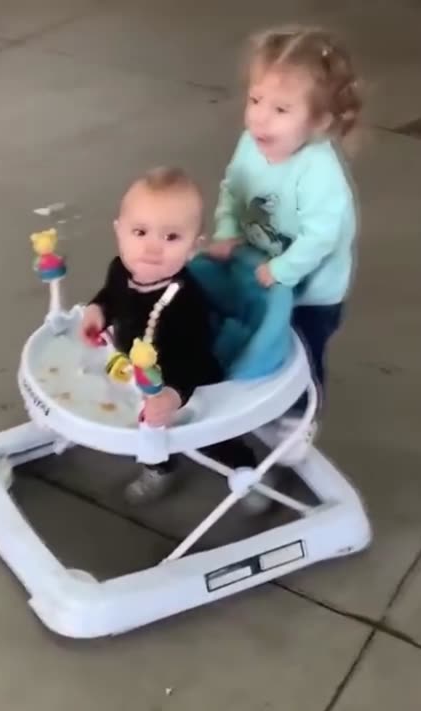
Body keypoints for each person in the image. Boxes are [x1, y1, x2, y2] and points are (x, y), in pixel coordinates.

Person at [80, 167, 267, 509]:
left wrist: (172, 395)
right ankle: (160, 467)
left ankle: (244, 468)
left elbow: (193, 359)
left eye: (171, 238)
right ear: (118, 232)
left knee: (214, 436)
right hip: (135, 371)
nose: (152, 248)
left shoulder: (184, 299)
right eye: (140, 232)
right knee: (144, 429)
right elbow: (111, 296)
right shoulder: (120, 270)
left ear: (194, 247)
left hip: (188, 380)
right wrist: (98, 312)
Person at [206, 25, 362, 415]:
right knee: (259, 333)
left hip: (311, 289)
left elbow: (322, 237)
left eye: (280, 110)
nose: (259, 119)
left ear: (320, 120)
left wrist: (283, 270)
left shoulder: (319, 174)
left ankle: (301, 412)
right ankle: (252, 389)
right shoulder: (251, 143)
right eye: (255, 99)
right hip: (259, 267)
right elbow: (234, 188)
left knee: (303, 351)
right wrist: (226, 229)